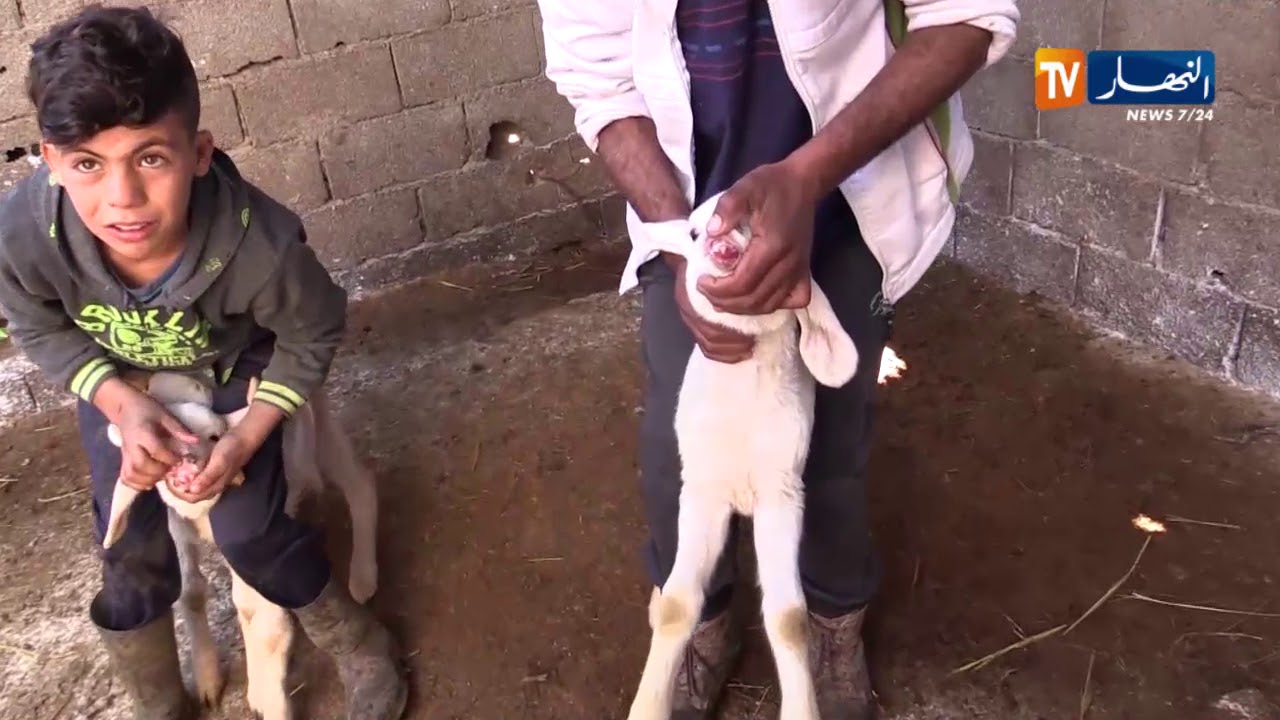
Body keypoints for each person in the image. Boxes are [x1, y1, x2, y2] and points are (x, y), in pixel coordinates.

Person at [535, 0, 1018, 717]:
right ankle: (697, 622)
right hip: (690, 211)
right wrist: (681, 246)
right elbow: (596, 74)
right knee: (675, 455)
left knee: (828, 450)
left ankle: (832, 622)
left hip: (850, 194)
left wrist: (807, 176)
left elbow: (966, 14)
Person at [0, 6, 408, 719]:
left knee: (250, 532)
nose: (122, 199)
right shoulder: (24, 236)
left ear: (198, 153)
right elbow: (35, 322)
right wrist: (119, 404)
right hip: (122, 382)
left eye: (150, 158)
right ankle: (160, 701)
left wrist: (248, 436)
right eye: (88, 164)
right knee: (128, 549)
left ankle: (360, 644)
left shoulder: (261, 248)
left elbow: (313, 332)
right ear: (51, 161)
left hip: (229, 375)